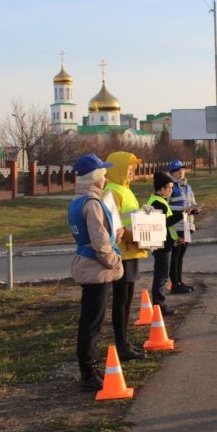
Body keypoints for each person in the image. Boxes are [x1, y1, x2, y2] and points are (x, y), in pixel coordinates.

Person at [68, 153, 124, 391]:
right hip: (96, 268)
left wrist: (115, 236)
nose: (106, 178)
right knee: (92, 322)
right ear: (96, 177)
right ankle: (88, 370)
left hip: (86, 264)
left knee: (90, 319)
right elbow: (100, 242)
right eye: (103, 174)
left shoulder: (78, 201)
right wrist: (113, 259)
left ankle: (88, 367)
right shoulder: (92, 204)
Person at [103, 152, 147, 361]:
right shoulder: (111, 191)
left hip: (132, 250)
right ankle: (121, 344)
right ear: (118, 168)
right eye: (129, 168)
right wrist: (136, 237)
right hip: (122, 252)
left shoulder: (125, 190)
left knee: (128, 298)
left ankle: (125, 340)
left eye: (133, 169)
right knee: (121, 299)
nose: (132, 172)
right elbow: (114, 224)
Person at [146, 172, 186, 317]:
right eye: (168, 188)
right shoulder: (157, 203)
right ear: (160, 188)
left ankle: (159, 305)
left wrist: (176, 238)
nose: (170, 191)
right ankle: (159, 307)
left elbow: (168, 226)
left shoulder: (161, 201)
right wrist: (182, 214)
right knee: (161, 277)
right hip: (161, 245)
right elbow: (164, 222)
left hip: (166, 243)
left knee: (162, 276)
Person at [167, 159, 200, 294]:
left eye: (182, 169)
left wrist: (195, 208)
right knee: (175, 255)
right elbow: (166, 206)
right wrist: (182, 210)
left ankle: (180, 282)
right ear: (172, 173)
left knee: (181, 255)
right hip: (176, 226)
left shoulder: (187, 186)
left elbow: (192, 202)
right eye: (177, 170)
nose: (181, 172)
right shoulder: (170, 186)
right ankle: (175, 284)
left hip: (187, 224)